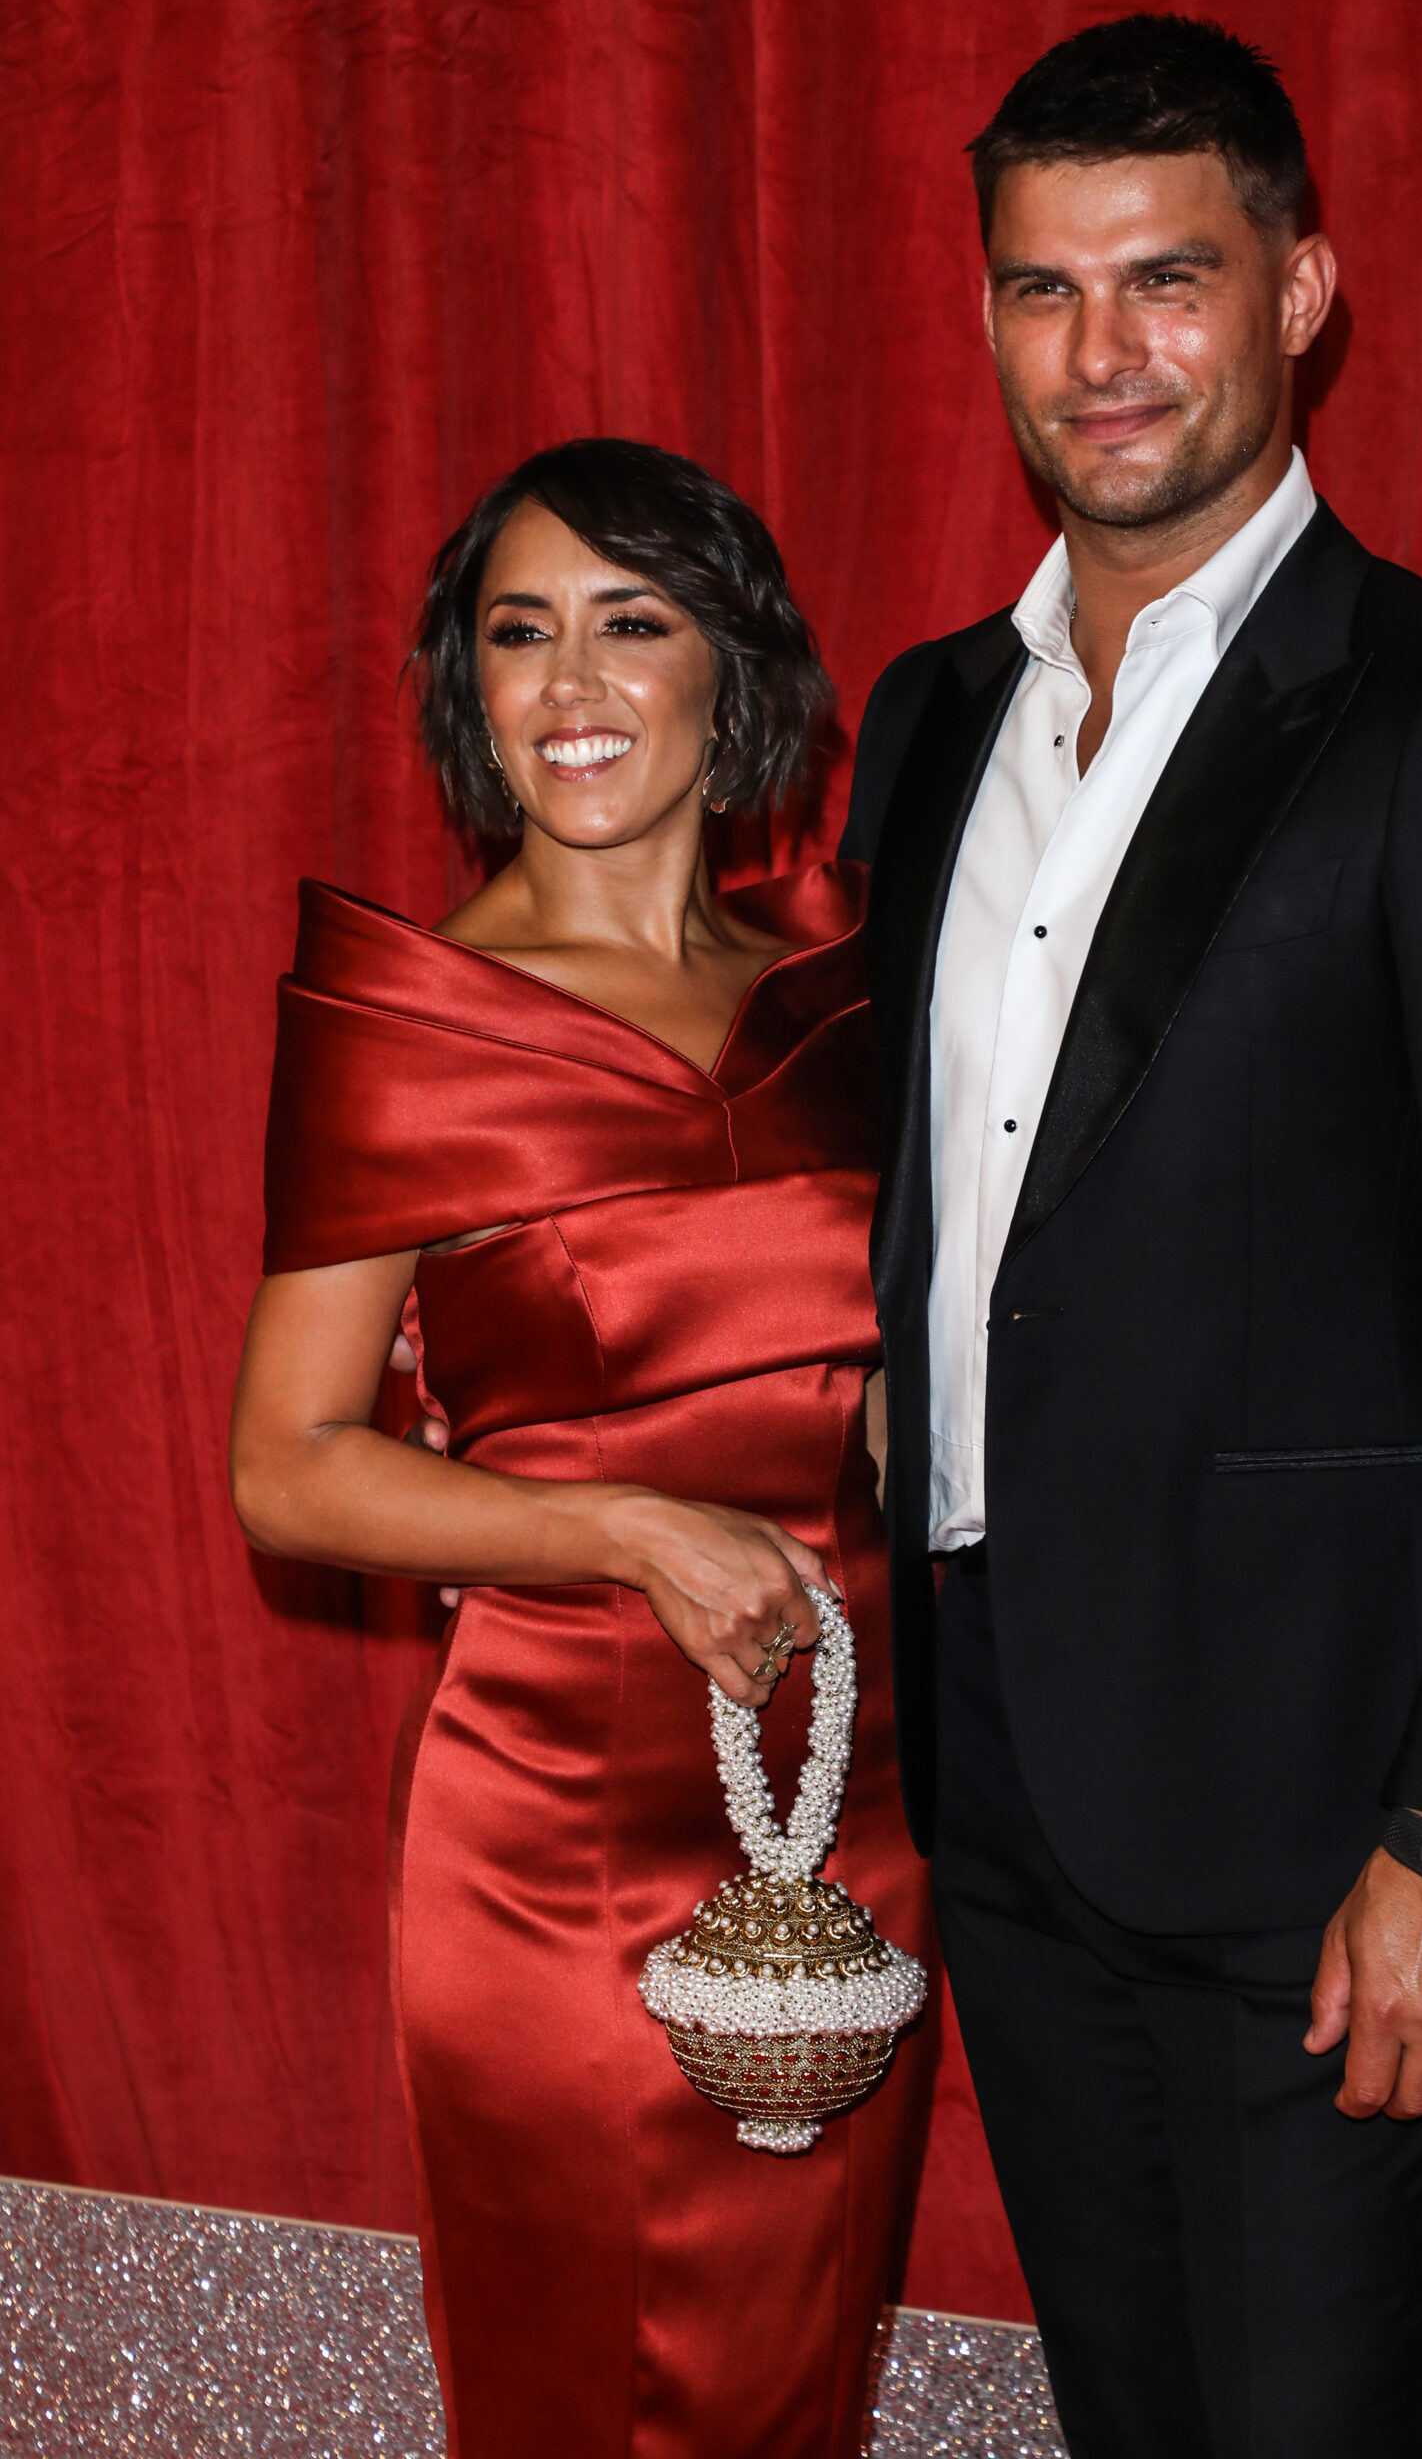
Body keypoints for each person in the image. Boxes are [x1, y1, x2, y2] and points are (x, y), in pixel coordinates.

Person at [841, 16, 1422, 2458]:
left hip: (1332, 1809)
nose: (1103, 355)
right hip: (1001, 1764)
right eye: (1040, 290)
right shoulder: (922, 726)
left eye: (1167, 280)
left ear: (1299, 291)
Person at [230, 438, 932, 2459]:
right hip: (551, 1833)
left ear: (737, 669)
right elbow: (290, 1463)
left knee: (787, 2386)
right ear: (472, 688)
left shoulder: (847, 981)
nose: (574, 678)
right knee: (582, 2394)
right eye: (520, 631)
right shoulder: (405, 1010)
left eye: (635, 619)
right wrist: (623, 1524)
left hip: (853, 1796)